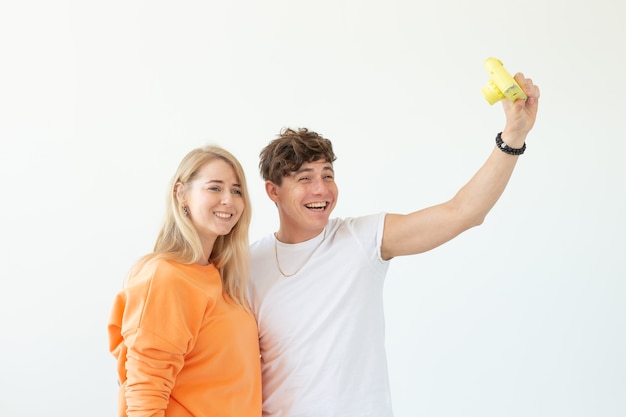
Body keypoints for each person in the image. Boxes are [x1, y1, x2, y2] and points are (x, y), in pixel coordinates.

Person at [248, 73, 540, 416]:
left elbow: (463, 212)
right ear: (273, 191)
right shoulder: (248, 263)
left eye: (327, 175)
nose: (321, 190)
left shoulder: (362, 239)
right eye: (305, 178)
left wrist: (513, 136)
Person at [108, 145, 262, 417]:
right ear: (181, 194)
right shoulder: (166, 277)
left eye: (237, 190)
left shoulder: (217, 276)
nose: (229, 199)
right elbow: (145, 393)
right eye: (215, 188)